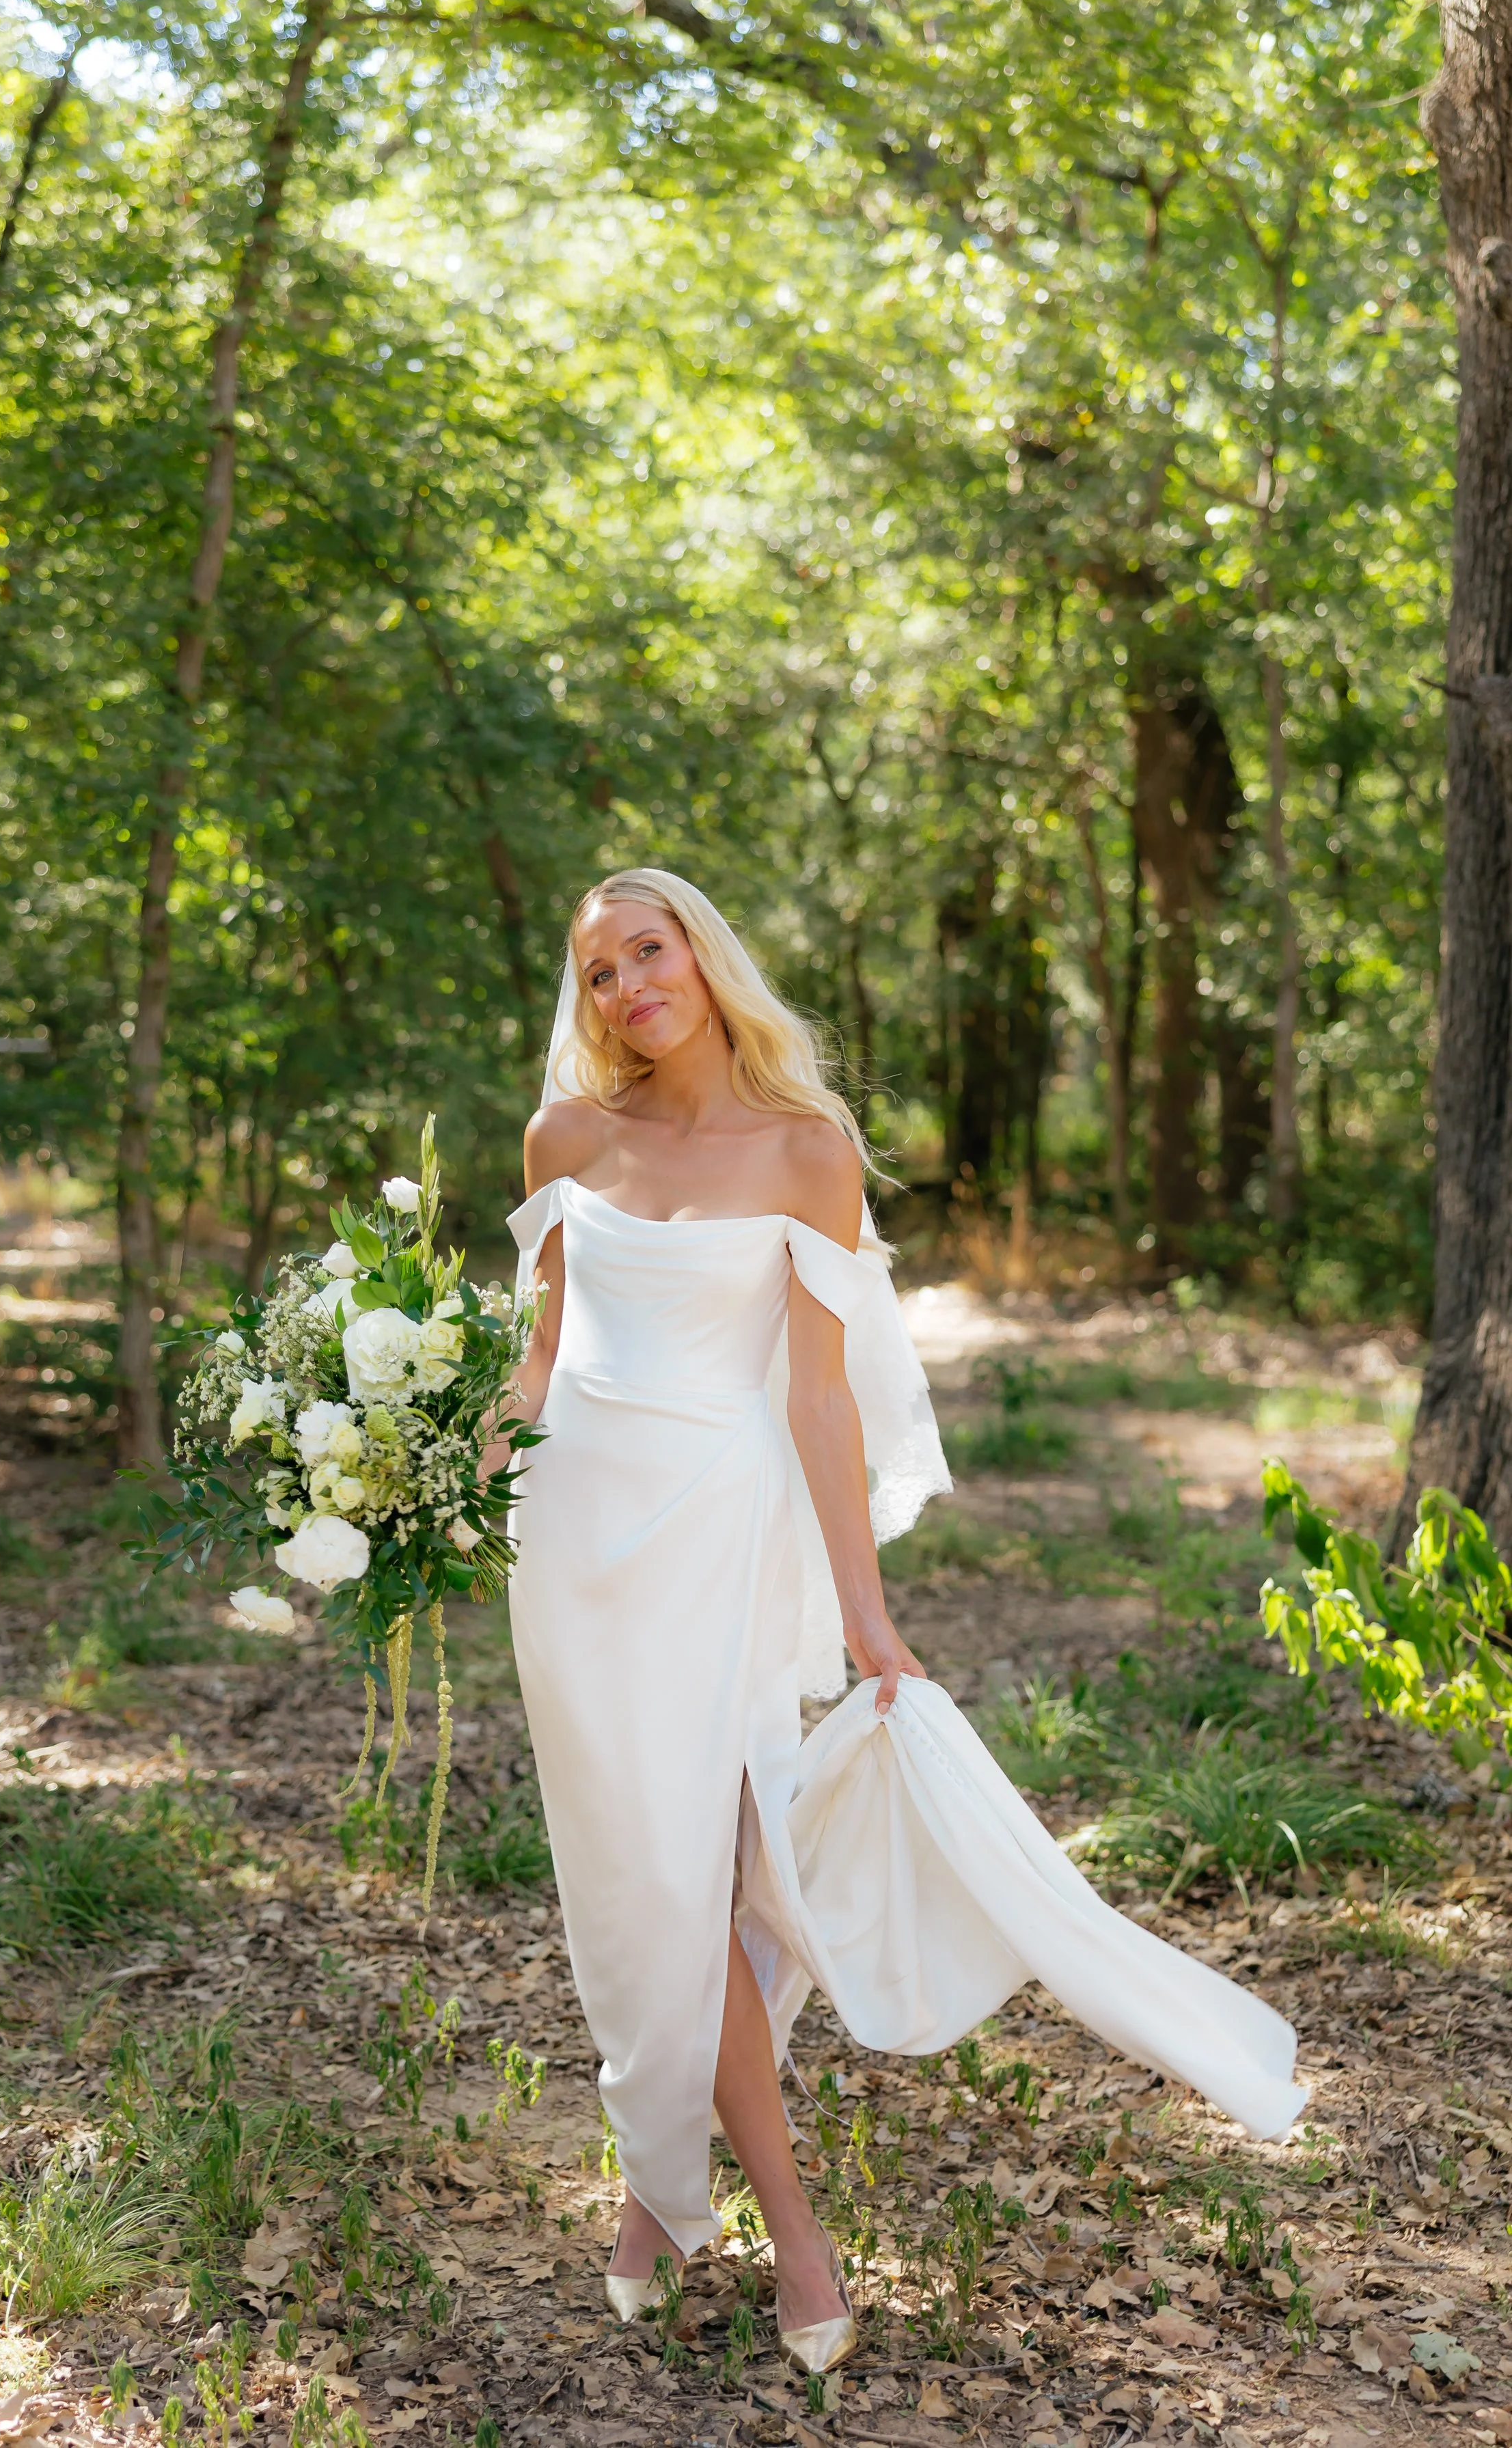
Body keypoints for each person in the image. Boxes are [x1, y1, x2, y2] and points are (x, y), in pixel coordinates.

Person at [486, 868, 1302, 2374]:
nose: (622, 992)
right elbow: (535, 1362)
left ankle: (769, 2228)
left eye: (642, 953)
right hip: (573, 1549)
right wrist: (444, 1476)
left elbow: (814, 1395)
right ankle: (661, 2198)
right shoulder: (565, 1139)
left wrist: (868, 1617)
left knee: (710, 1869)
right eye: (596, 973)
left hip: (715, 1545)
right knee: (630, 1890)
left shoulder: (808, 1153)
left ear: (700, 954)